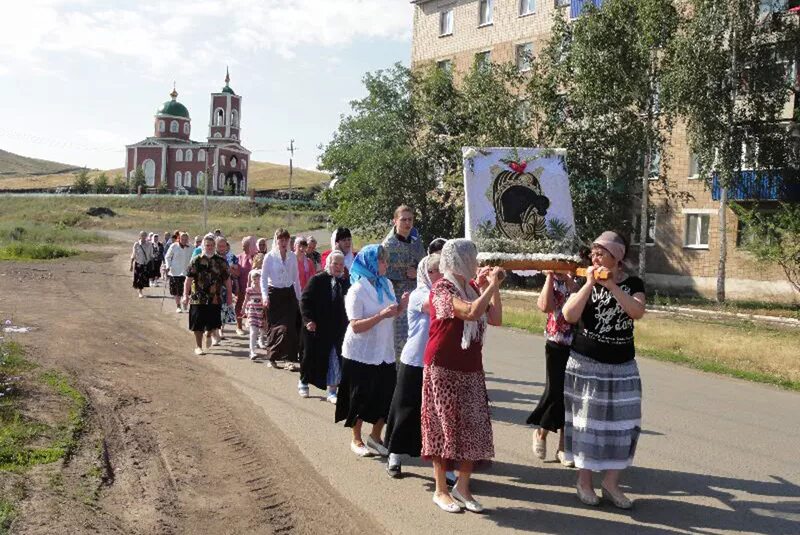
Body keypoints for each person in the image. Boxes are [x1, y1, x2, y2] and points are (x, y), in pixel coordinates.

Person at [561, 231, 645, 510]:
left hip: (622, 367)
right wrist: (588, 285)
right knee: (588, 425)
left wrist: (612, 287)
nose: (594, 258)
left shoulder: (633, 283)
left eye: (601, 253)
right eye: (593, 253)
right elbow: (569, 316)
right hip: (587, 364)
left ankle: (611, 483)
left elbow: (636, 312)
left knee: (623, 425)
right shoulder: (586, 282)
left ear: (617, 258)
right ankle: (584, 482)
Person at [421, 239, 504, 514]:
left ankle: (463, 486)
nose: (476, 261)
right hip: (442, 366)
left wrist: (493, 288)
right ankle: (441, 490)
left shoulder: (471, 287)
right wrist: (489, 286)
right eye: (472, 256)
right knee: (443, 428)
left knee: (474, 427)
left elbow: (495, 319)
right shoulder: (442, 287)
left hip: (470, 367)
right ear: (459, 259)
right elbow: (470, 312)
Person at [335, 245, 409, 458]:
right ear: (370, 263)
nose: (386, 264)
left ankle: (375, 436)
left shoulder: (385, 284)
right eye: (382, 260)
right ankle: (356, 439)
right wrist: (381, 316)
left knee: (387, 395)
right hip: (360, 353)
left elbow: (391, 313)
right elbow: (356, 326)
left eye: (386, 260)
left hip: (384, 351)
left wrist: (401, 307)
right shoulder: (357, 290)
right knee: (360, 396)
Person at [384, 253, 441, 478]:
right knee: (405, 408)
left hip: (436, 361)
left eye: (442, 269)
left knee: (435, 413)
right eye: (435, 270)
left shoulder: (446, 293)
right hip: (414, 360)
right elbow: (438, 306)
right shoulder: (420, 295)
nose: (439, 274)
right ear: (426, 273)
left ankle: (442, 465)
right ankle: (395, 455)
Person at [527, 271, 578, 467]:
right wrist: (550, 277)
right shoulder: (554, 280)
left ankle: (563, 447)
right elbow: (544, 306)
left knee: (572, 396)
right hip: (557, 341)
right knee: (555, 391)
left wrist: (570, 280)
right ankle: (542, 431)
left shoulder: (583, 278)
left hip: (580, 344)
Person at [298, 251, 350, 403]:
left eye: (341, 264)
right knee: (310, 356)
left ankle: (332, 391)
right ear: (329, 263)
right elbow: (305, 300)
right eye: (336, 264)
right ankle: (303, 381)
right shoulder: (317, 279)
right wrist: (308, 320)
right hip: (316, 326)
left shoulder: (344, 282)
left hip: (336, 327)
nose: (338, 267)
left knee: (334, 356)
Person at [382, 205, 426, 359]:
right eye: (403, 219)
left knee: (418, 337)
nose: (407, 223)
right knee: (398, 340)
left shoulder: (416, 241)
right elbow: (382, 273)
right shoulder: (387, 246)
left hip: (416, 295)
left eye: (410, 219)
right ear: (395, 221)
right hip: (396, 297)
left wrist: (417, 272)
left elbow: (425, 265)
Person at [183, 234, 232, 355]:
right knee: (197, 323)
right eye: (207, 245)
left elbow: (227, 281)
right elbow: (188, 279)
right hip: (198, 296)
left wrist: (230, 297)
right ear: (203, 246)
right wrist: (185, 295)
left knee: (213, 322)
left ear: (214, 246)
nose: (209, 247)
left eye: (211, 245)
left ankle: (209, 333)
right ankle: (198, 346)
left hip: (215, 297)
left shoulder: (221, 262)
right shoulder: (196, 260)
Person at [260, 228, 302, 369]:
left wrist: (299, 298)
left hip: (289, 294)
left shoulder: (292, 257)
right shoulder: (270, 257)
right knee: (275, 327)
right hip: (274, 295)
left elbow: (296, 279)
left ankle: (289, 360)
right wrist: (265, 296)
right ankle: (272, 357)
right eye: (281, 240)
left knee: (289, 327)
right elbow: (263, 278)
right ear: (276, 241)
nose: (284, 242)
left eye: (286, 240)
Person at [216, 237, 240, 339]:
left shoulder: (231, 257)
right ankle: (213, 331)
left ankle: (221, 330)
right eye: (219, 246)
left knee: (224, 309)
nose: (222, 248)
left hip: (226, 287)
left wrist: (230, 269)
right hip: (214, 287)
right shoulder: (211, 256)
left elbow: (237, 273)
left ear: (227, 246)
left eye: (223, 246)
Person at [165, 232, 193, 313]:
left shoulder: (191, 247)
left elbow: (194, 258)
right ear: (179, 239)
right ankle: (178, 306)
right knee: (176, 291)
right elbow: (167, 257)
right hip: (175, 271)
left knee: (187, 291)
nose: (184, 240)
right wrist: (168, 266)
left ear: (188, 239)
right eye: (182, 239)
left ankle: (185, 303)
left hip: (187, 272)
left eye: (186, 239)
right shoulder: (174, 246)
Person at [236, 236, 256, 336]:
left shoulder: (257, 257)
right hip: (242, 287)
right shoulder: (239, 257)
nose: (243, 248)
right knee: (240, 306)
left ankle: (255, 328)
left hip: (255, 289)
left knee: (255, 308)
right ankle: (239, 327)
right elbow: (236, 274)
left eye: (246, 246)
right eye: (243, 246)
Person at [244, 269, 265, 361]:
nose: (256, 281)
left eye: (258, 279)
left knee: (263, 330)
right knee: (253, 332)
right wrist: (243, 308)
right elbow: (246, 300)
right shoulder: (249, 290)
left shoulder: (265, 290)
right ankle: (252, 351)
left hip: (263, 313)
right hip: (253, 312)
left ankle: (261, 339)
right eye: (254, 279)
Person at [130, 231, 154, 298]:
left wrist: (152, 264)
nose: (143, 237)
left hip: (146, 264)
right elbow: (133, 254)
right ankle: (140, 291)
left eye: (144, 235)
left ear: (146, 236)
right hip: (138, 264)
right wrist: (131, 265)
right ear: (140, 236)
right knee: (139, 278)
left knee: (143, 278)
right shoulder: (136, 244)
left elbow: (151, 255)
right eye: (142, 235)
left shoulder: (149, 244)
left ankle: (140, 290)